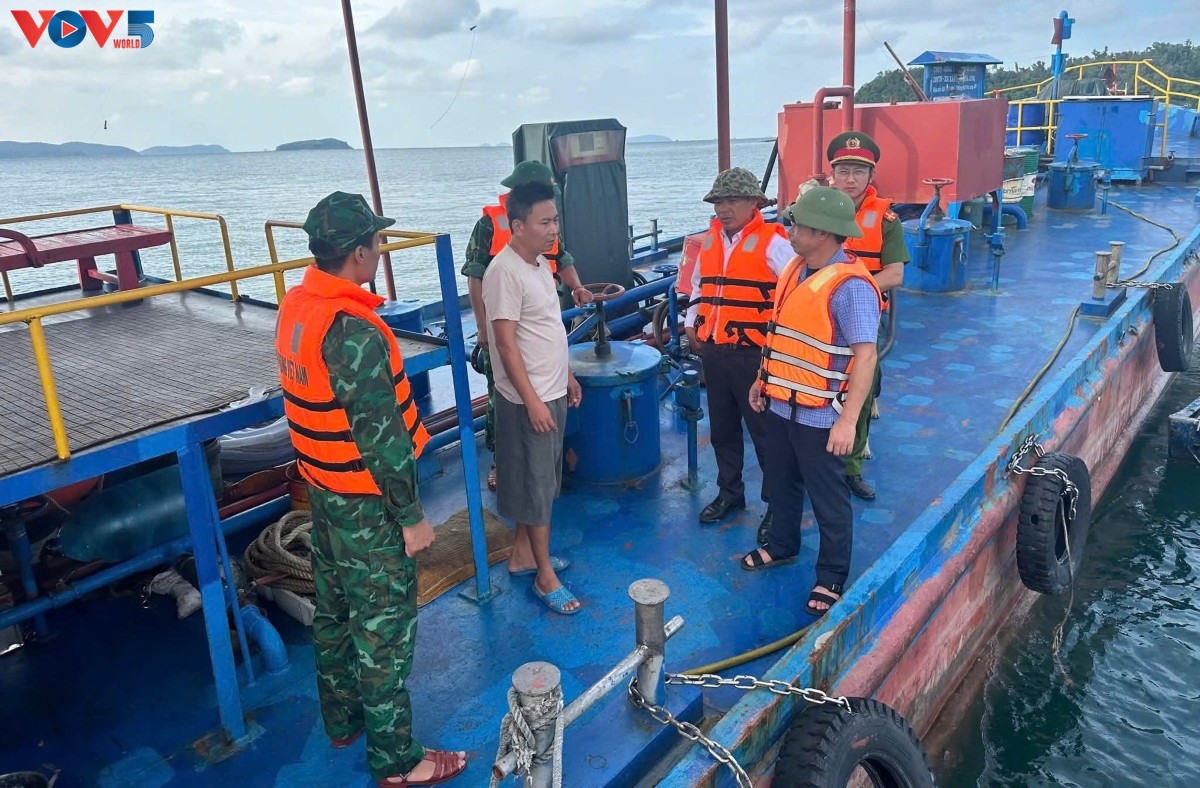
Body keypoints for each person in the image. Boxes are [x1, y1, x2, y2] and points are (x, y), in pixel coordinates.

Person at [275, 192, 466, 787]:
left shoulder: (298, 307)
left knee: (334, 611)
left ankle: (343, 720)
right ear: (359, 253)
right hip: (366, 505)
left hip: (323, 493)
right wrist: (411, 517)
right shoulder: (352, 332)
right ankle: (398, 762)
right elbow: (383, 441)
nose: (381, 250)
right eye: (377, 242)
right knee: (383, 630)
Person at [741, 187, 883, 619]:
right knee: (781, 481)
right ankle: (782, 544)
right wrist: (762, 380)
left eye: (797, 224)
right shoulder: (796, 269)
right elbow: (782, 335)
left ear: (822, 232)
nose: (789, 230)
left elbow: (866, 357)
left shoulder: (850, 287)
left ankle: (832, 575)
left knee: (828, 497)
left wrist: (848, 422)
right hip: (781, 404)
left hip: (821, 414)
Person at [482, 180, 584, 615]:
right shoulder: (503, 272)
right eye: (544, 222)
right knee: (538, 489)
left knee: (541, 483)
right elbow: (506, 345)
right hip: (529, 400)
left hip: (551, 387)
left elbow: (547, 330)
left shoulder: (540, 264)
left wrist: (567, 375)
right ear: (518, 226)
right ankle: (544, 576)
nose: (553, 229)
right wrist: (534, 401)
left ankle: (523, 556)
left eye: (555, 220)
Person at [462, 161, 593, 492]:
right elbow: (475, 275)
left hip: (535, 315)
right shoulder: (490, 226)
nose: (552, 227)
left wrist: (577, 286)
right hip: (504, 319)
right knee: (502, 397)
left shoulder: (544, 229)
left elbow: (562, 258)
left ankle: (544, 461)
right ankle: (501, 462)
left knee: (541, 403)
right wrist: (483, 327)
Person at [683, 167, 792, 539]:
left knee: (766, 434)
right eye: (718, 202)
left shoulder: (774, 243)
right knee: (723, 430)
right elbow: (699, 286)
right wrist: (690, 322)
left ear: (754, 203)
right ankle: (730, 493)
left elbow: (794, 291)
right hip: (714, 351)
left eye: (732, 201)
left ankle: (777, 507)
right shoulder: (710, 241)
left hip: (755, 356)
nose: (723, 209)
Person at [825, 131, 910, 501]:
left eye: (859, 171)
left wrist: (851, 290)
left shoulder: (886, 220)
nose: (850, 179)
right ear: (832, 175)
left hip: (862, 316)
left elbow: (895, 274)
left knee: (857, 392)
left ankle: (852, 468)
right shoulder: (817, 211)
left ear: (871, 175)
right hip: (818, 316)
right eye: (843, 171)